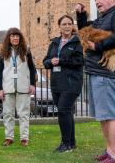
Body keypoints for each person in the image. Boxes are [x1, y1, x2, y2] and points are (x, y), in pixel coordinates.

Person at [76, 0, 115, 163]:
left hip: (107, 73)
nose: (97, 1)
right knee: (103, 117)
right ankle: (109, 151)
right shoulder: (103, 18)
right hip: (96, 72)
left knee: (110, 116)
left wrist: (97, 46)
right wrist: (81, 15)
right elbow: (85, 32)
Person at [43, 15, 84, 152]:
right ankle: (71, 142)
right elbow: (45, 61)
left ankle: (65, 144)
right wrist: (50, 62)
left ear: (72, 26)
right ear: (59, 27)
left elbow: (79, 61)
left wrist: (61, 61)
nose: (67, 26)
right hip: (56, 83)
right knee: (67, 112)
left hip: (71, 83)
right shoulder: (54, 43)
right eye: (64, 24)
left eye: (69, 24)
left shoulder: (78, 42)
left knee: (63, 110)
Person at [0, 27, 37, 147]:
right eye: (13, 36)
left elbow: (32, 68)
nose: (15, 38)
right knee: (8, 114)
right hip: (8, 87)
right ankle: (9, 137)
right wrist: (0, 88)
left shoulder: (26, 50)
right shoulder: (4, 52)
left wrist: (33, 84)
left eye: (17, 36)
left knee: (23, 114)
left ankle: (24, 138)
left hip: (23, 87)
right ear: (9, 38)